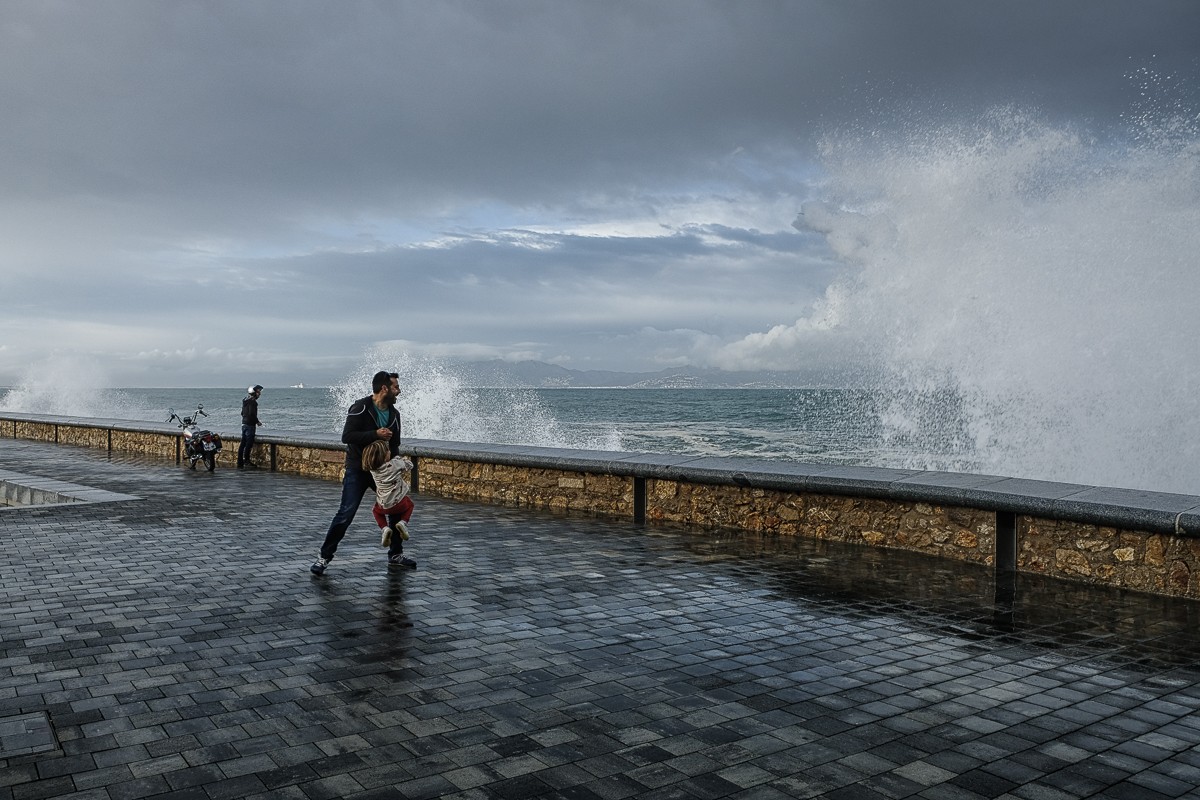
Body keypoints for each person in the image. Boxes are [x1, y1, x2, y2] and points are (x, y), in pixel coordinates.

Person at [311, 370, 417, 574]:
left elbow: (395, 445)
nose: (399, 391)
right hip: (358, 470)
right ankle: (324, 557)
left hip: (383, 471)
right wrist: (374, 434)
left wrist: (393, 469)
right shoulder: (360, 408)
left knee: (395, 507)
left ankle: (395, 554)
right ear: (384, 388)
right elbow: (347, 436)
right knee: (345, 514)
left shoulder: (394, 414)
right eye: (395, 387)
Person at [361, 439, 415, 547]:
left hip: (383, 505)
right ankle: (403, 523)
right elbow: (410, 465)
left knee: (375, 512)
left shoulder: (373, 469)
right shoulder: (395, 464)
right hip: (399, 502)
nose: (390, 452)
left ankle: (385, 528)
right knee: (410, 505)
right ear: (384, 456)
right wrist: (401, 459)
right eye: (388, 451)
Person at [237, 385, 263, 469]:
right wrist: (257, 422)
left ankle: (239, 462)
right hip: (250, 425)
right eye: (258, 392)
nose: (259, 394)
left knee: (243, 443)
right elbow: (251, 413)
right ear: (254, 393)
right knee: (249, 443)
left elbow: (242, 413)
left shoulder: (245, 400)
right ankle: (247, 461)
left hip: (244, 424)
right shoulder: (253, 402)